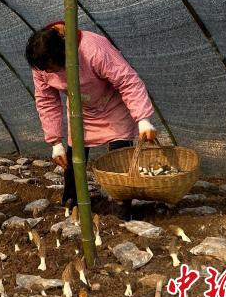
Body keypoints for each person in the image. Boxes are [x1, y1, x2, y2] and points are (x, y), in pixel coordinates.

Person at [25, 21, 156, 217]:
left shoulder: (93, 49)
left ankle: (121, 207)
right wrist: (54, 142)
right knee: (74, 156)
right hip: (81, 110)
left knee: (119, 156)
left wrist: (143, 118)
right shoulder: (41, 63)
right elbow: (46, 100)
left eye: (52, 68)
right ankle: (72, 202)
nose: (49, 73)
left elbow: (127, 81)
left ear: (64, 55)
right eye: (46, 70)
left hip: (112, 105)